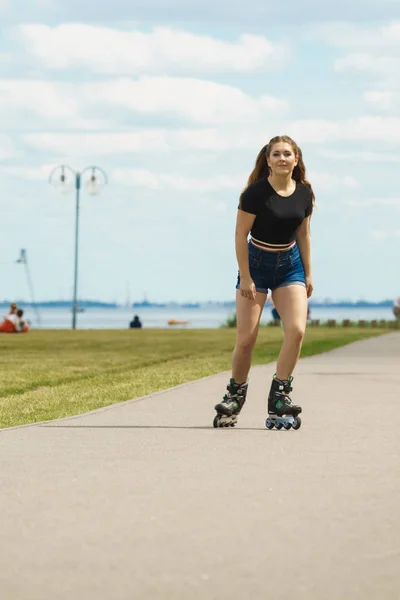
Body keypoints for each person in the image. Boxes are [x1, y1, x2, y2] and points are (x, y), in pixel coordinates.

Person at [214, 135, 315, 425]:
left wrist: (308, 272)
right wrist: (245, 276)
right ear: (268, 160)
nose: (282, 158)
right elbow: (239, 235)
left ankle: (280, 394)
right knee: (246, 338)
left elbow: (304, 234)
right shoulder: (254, 194)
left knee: (296, 331)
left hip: (290, 266)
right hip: (255, 265)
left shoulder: (305, 193)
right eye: (276, 154)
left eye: (287, 154)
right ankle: (235, 395)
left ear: (296, 160)